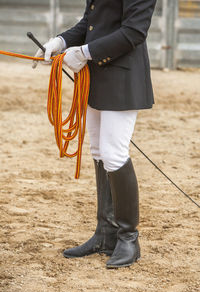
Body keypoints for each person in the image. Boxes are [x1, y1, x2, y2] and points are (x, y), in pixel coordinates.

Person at [33, 0, 157, 269]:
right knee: (98, 152)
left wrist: (86, 52)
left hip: (123, 78)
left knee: (114, 153)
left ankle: (128, 239)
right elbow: (91, 22)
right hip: (97, 76)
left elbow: (134, 31)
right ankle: (105, 234)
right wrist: (60, 41)